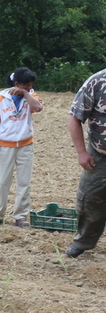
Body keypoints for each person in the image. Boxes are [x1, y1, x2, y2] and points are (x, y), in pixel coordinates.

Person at [0, 67, 43, 227]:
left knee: (24, 182)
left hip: (26, 145)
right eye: (27, 85)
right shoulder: (1, 98)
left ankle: (21, 216)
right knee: (3, 181)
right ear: (17, 83)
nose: (30, 88)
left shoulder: (31, 95)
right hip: (5, 145)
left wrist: (26, 93)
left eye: (31, 85)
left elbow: (38, 107)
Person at [66, 69, 106, 257]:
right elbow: (74, 117)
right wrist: (82, 152)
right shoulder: (97, 82)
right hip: (99, 155)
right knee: (90, 200)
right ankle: (83, 242)